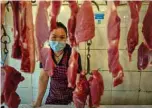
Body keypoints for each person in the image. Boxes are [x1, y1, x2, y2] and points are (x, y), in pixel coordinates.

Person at [33, 22, 82, 107]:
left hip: (71, 99)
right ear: (48, 38)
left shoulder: (73, 54)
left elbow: (78, 80)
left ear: (66, 38)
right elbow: (43, 78)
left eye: (62, 37)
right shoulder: (45, 54)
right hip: (53, 98)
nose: (58, 41)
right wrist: (38, 100)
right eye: (54, 37)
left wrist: (78, 100)